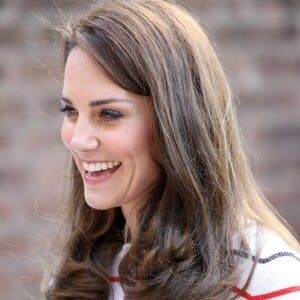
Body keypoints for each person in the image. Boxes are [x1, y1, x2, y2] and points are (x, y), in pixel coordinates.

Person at [42, 0, 300, 299]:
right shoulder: (84, 273)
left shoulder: (267, 280)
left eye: (109, 114)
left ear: (176, 121)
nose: (78, 140)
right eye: (70, 111)